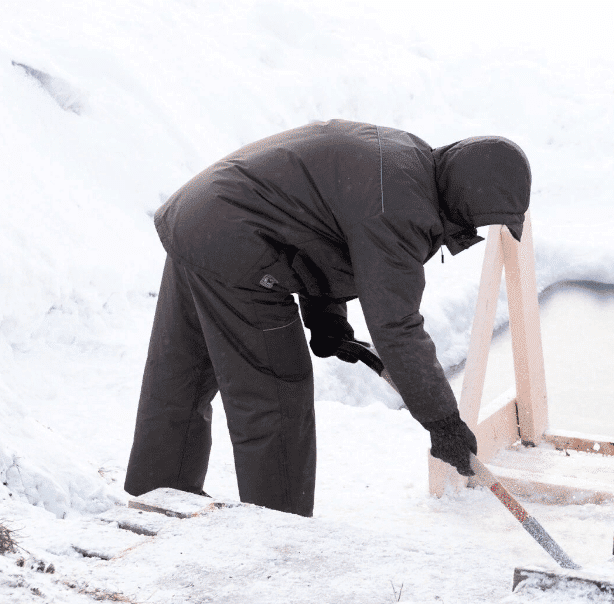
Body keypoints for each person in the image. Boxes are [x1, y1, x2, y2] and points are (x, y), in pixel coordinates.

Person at [124, 120, 531, 517]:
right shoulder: (401, 211)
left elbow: (322, 226)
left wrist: (326, 316)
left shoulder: (406, 164)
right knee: (277, 394)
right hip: (236, 245)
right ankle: (280, 535)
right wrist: (442, 420)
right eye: (485, 220)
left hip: (200, 218)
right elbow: (396, 327)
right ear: (469, 201)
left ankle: (158, 499)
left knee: (182, 375)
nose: (479, 230)